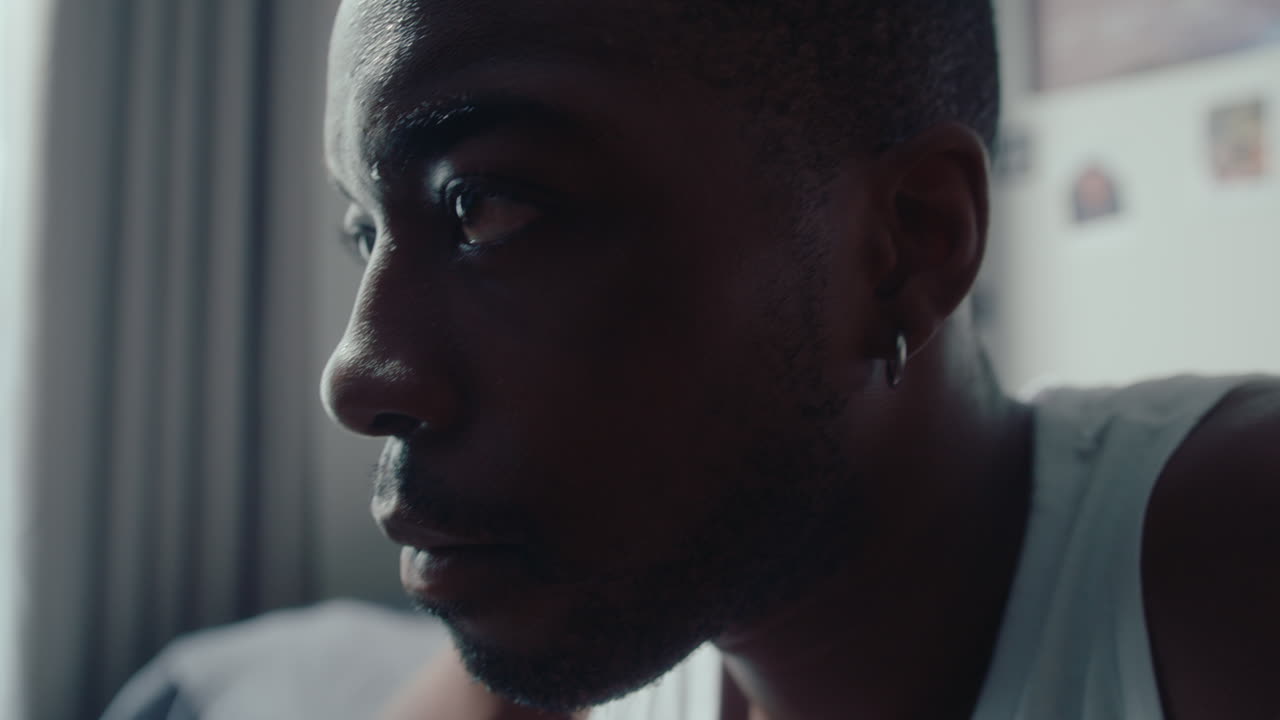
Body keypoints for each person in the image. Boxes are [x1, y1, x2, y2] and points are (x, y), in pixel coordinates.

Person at [320, 1, 1280, 718]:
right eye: (366, 233)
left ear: (908, 241)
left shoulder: (1228, 552)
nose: (355, 377)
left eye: (488, 207)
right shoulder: (568, 611)